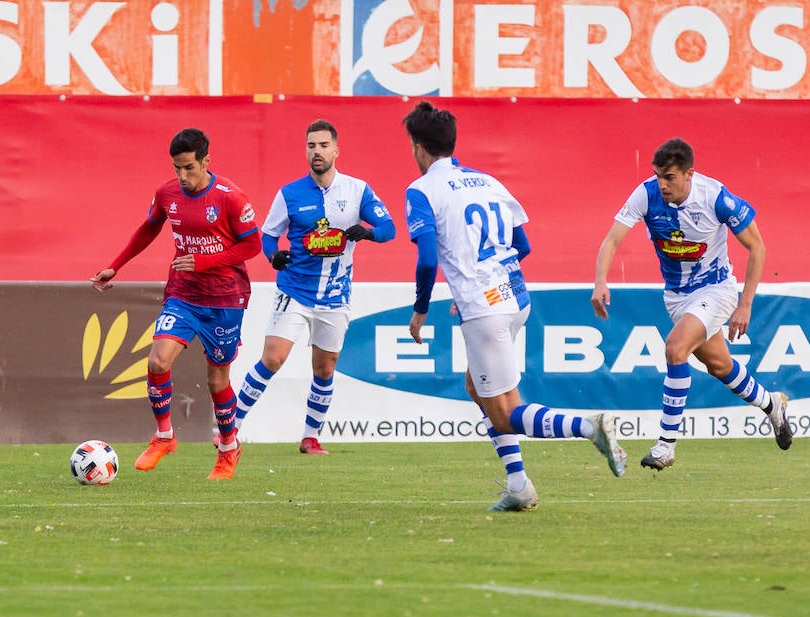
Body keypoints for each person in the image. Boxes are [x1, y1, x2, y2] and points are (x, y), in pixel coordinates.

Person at [402, 101, 626, 511]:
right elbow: (522, 245)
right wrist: (489, 278)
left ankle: (589, 426)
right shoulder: (487, 182)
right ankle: (519, 485)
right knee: (478, 388)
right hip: (515, 297)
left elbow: (429, 260)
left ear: (419, 147)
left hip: (484, 309)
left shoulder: (421, 191)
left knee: (506, 413)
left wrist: (421, 309)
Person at [592, 137, 792, 470]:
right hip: (677, 296)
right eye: (658, 176)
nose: (662, 184)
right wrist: (600, 281)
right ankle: (772, 404)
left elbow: (757, 248)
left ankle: (665, 445)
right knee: (720, 367)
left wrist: (744, 305)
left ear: (689, 174)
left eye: (669, 177)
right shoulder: (646, 194)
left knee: (675, 349)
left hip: (716, 289)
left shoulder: (714, 197)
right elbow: (612, 238)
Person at [91, 128, 262, 480]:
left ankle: (229, 447)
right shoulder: (167, 193)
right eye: (176, 168)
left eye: (189, 168)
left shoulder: (231, 198)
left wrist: (204, 262)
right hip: (183, 294)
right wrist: (116, 264)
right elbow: (148, 229)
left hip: (225, 298)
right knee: (157, 360)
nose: (182, 177)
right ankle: (165, 436)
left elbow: (253, 246)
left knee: (217, 380)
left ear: (206, 161)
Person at [234, 119, 396, 454]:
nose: (317, 151)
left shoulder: (357, 190)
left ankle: (310, 437)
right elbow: (268, 235)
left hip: (336, 297)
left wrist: (368, 233)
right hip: (294, 291)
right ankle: (229, 428)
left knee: (324, 368)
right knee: (273, 358)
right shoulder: (289, 193)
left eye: (323, 145)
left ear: (336, 150)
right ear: (305, 151)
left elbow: (389, 227)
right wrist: (274, 256)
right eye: (311, 146)